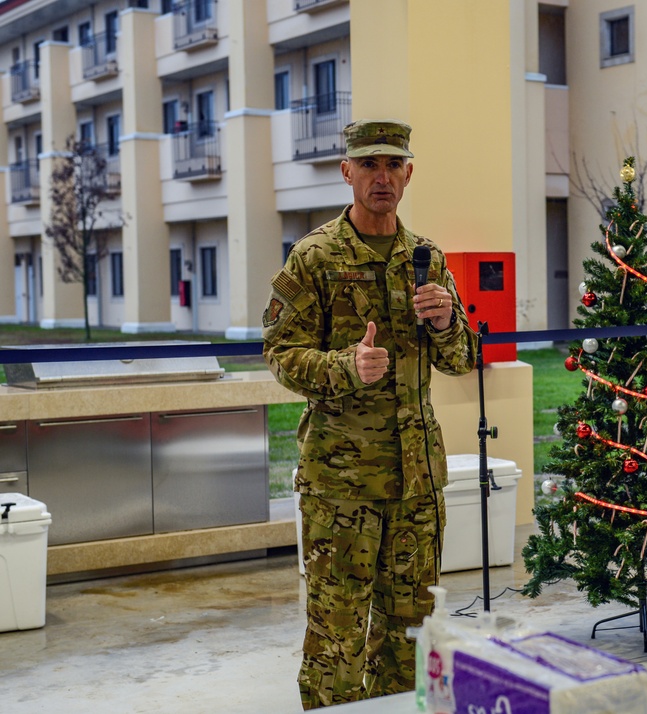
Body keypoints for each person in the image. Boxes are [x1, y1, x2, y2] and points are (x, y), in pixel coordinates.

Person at [261, 119, 477, 709]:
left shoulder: (426, 259)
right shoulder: (315, 257)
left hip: (416, 483)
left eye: (392, 165)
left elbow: (463, 360)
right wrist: (345, 368)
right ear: (346, 172)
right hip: (342, 486)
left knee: (411, 634)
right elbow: (279, 355)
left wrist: (446, 322)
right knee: (337, 637)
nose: (381, 177)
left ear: (408, 174)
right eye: (368, 164)